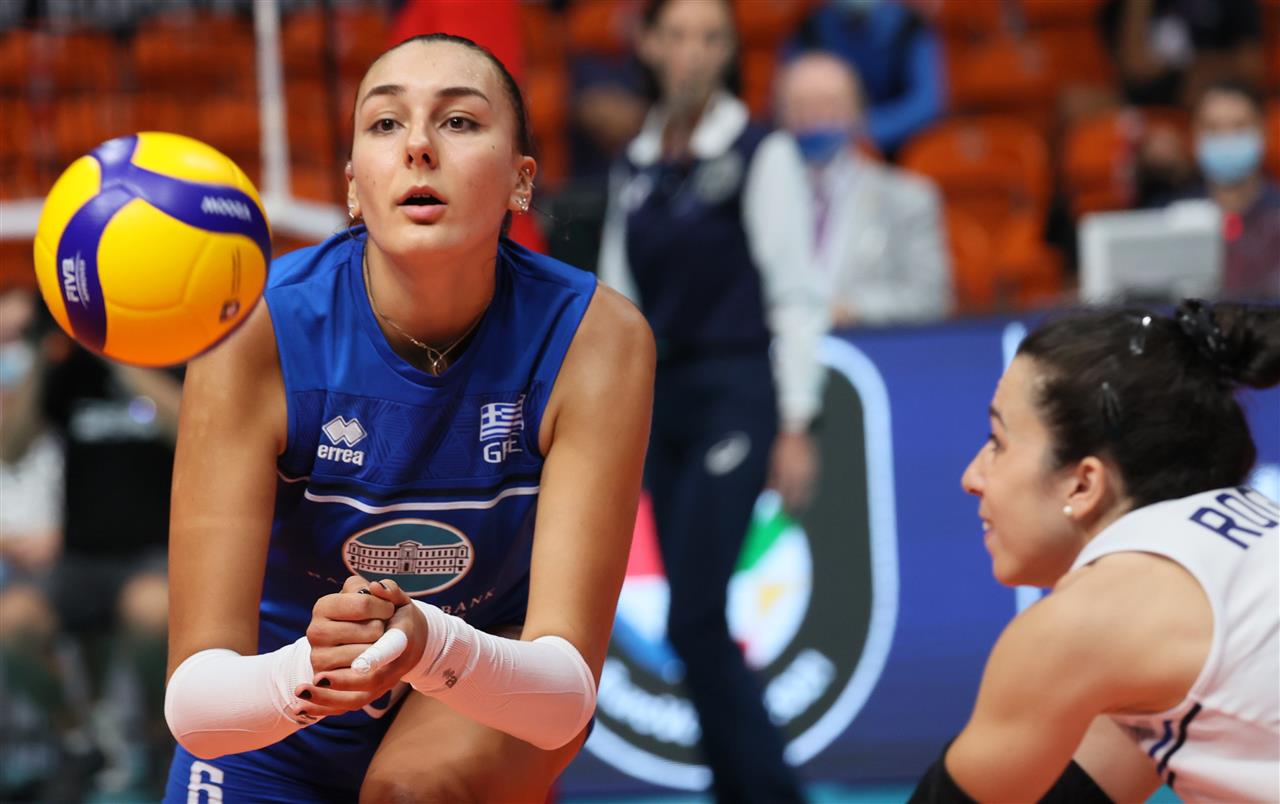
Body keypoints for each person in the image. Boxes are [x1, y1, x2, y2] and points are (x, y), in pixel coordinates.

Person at [161, 33, 654, 802]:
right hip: (280, 695)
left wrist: (426, 646)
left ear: (521, 181)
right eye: (386, 123)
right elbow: (197, 706)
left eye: (459, 121)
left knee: (411, 794)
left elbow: (563, 697)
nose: (419, 146)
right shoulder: (255, 327)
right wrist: (316, 667)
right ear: (354, 187)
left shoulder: (596, 338)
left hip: (490, 682)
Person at [911, 300, 1280, 802]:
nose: (972, 476)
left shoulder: (1088, 624)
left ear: (1083, 484)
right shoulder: (1208, 584)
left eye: (997, 442)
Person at [597, 1, 825, 800]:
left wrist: (796, 421)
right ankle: (744, 786)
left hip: (736, 390)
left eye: (711, 37)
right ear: (651, 46)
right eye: (679, 35)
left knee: (694, 612)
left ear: (729, 52)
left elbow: (795, 294)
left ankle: (768, 792)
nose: (693, 52)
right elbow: (618, 304)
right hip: (664, 402)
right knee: (690, 621)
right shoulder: (634, 163)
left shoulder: (761, 151)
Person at [775, 50, 951, 327]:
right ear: (781, 115)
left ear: (857, 111)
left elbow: (930, 299)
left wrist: (852, 310)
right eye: (801, 106)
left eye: (829, 104)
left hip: (870, 346)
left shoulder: (909, 199)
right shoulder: (756, 200)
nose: (814, 117)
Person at [784, 0, 945, 157]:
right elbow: (787, 101)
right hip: (818, 150)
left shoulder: (910, 26)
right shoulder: (810, 28)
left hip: (894, 149)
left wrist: (864, 130)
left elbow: (927, 103)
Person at [1186, 80, 1279, 299]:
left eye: (1239, 127)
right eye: (1213, 128)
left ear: (1263, 132)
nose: (1227, 139)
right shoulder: (1168, 216)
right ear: (1195, 135)